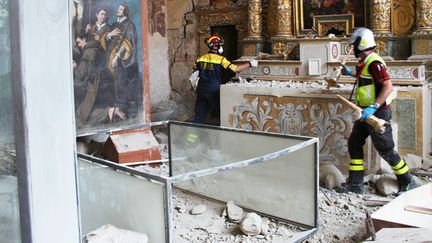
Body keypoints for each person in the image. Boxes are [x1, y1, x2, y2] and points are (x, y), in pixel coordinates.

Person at [337, 28, 417, 195]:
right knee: (354, 143)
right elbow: (366, 80)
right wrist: (351, 73)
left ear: (361, 43)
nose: (353, 49)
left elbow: (388, 86)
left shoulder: (375, 63)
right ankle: (356, 183)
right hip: (364, 112)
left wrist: (373, 106)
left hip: (377, 113)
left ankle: (407, 181)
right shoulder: (365, 62)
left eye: (354, 45)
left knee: (386, 150)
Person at [191, 34, 258, 125]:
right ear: (216, 46)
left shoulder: (200, 59)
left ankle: (193, 135)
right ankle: (221, 135)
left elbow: (194, 74)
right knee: (222, 114)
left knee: (199, 116)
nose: (222, 47)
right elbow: (236, 69)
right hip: (214, 90)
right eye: (221, 45)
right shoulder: (221, 59)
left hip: (201, 89)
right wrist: (250, 64)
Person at [72, 31, 121, 128]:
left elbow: (81, 75)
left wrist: (74, 67)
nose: (78, 45)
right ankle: (111, 111)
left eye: (79, 42)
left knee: (83, 115)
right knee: (87, 109)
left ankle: (110, 111)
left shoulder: (88, 52)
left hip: (96, 86)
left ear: (84, 40)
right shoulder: (98, 47)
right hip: (107, 84)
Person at [102, 3, 141, 119]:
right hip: (113, 61)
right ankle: (117, 111)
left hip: (125, 63)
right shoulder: (114, 25)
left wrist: (117, 56)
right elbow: (105, 40)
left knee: (124, 86)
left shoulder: (129, 25)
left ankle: (126, 113)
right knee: (116, 86)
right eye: (118, 8)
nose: (118, 10)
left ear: (125, 12)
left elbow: (128, 43)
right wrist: (109, 35)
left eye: (120, 9)